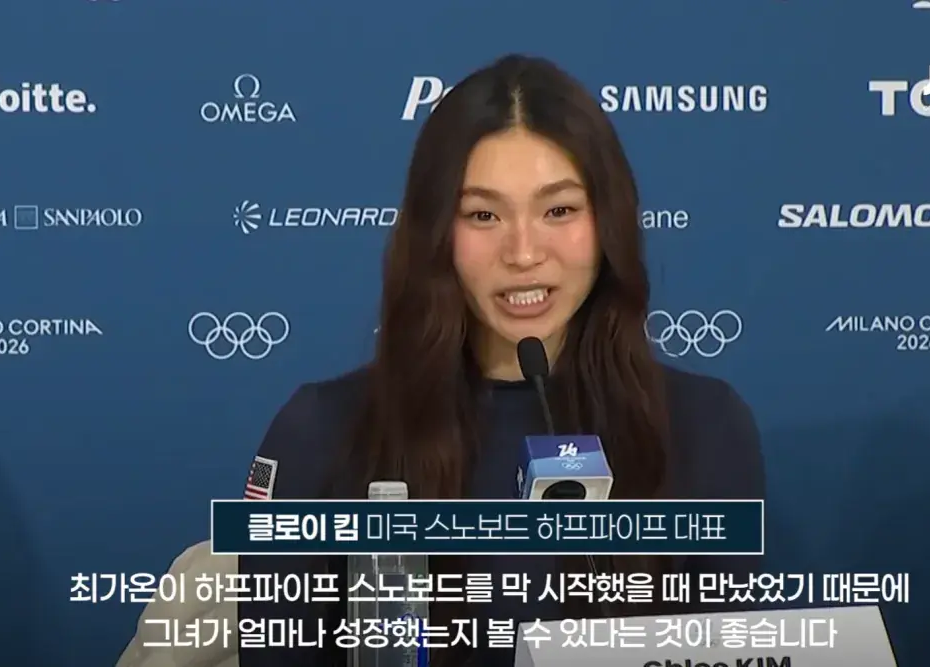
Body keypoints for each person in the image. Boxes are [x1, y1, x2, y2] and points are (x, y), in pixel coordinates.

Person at [237, 54, 766, 667]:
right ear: (437, 233)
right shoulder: (320, 431)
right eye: (483, 215)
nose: (523, 252)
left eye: (559, 210)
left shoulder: (705, 425)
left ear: (608, 222)